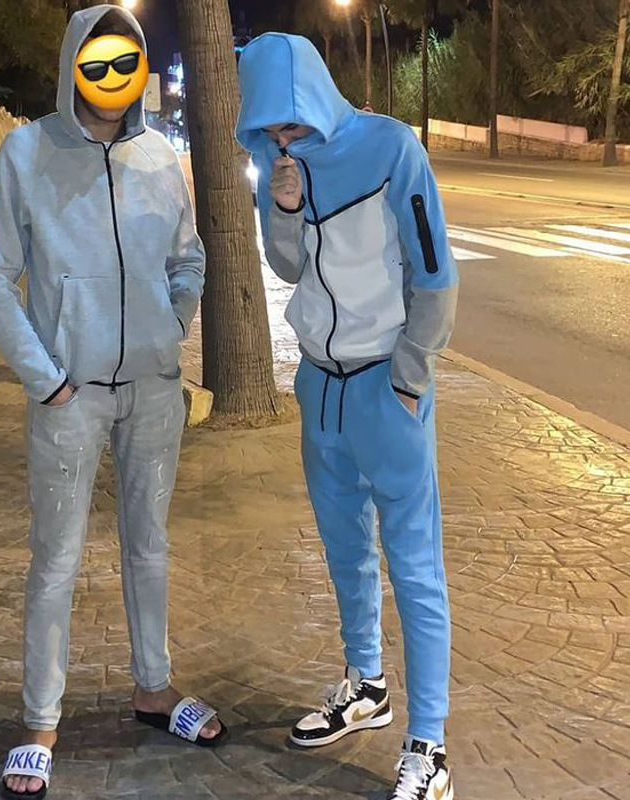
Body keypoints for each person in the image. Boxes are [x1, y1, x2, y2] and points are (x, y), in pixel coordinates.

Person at [0, 7, 225, 798]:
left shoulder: (160, 158)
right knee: (56, 558)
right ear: (73, 63)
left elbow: (188, 258)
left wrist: (168, 329)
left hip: (152, 390)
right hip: (70, 394)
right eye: (99, 58)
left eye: (127, 60)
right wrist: (44, 377)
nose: (113, 76)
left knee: (149, 544)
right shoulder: (27, 153)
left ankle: (153, 688)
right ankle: (39, 721)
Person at [237, 33, 458, 800]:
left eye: (291, 121)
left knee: (415, 565)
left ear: (314, 96)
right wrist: (284, 207)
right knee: (344, 550)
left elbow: (436, 275)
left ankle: (429, 746)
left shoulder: (393, 149)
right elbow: (288, 265)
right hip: (320, 386)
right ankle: (366, 684)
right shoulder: (277, 163)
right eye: (268, 126)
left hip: (384, 386)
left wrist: (409, 379)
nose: (282, 136)